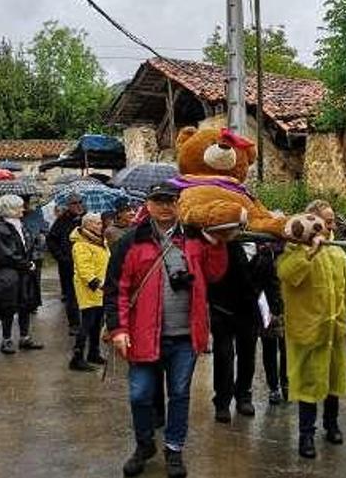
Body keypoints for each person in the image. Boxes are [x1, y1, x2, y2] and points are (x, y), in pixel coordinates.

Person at [104, 183, 227, 478]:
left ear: (178, 204)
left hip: (185, 336)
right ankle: (144, 444)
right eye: (158, 200)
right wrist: (118, 328)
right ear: (147, 203)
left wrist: (219, 243)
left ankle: (174, 449)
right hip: (143, 334)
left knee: (180, 394)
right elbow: (116, 290)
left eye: (170, 201)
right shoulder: (131, 242)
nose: (164, 206)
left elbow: (214, 274)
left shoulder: (195, 239)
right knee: (140, 395)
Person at [277, 201, 346, 459]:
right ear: (311, 223)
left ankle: (332, 424)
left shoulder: (338, 253)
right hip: (307, 331)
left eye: (332, 222)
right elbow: (286, 274)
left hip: (334, 329)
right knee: (308, 384)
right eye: (327, 222)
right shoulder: (293, 250)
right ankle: (306, 435)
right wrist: (309, 254)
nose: (331, 226)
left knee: (332, 380)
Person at [0, 194, 44, 354]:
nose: (23, 208)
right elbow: (5, 254)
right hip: (8, 273)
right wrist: (26, 263)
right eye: (20, 206)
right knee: (8, 306)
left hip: (23, 272)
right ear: (10, 209)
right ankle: (6, 340)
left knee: (26, 304)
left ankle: (24, 337)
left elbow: (30, 244)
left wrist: (33, 257)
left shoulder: (20, 225)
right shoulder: (1, 228)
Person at [207, 240, 260, 423]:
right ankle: (222, 400)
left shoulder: (264, 245)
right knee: (223, 355)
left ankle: (243, 395)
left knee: (247, 355)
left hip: (250, 310)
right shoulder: (221, 240)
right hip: (222, 308)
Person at [69, 212, 110, 372]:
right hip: (90, 288)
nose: (101, 226)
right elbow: (83, 268)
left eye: (100, 223)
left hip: (101, 287)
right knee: (87, 323)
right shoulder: (81, 244)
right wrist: (95, 283)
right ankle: (77, 357)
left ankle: (94, 352)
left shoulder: (100, 241)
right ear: (87, 225)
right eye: (97, 223)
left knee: (97, 323)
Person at [252, 241, 288, 405]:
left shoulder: (288, 254)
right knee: (270, 348)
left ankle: (286, 383)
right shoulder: (264, 256)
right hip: (268, 307)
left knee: (286, 348)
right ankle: (274, 386)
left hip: (287, 307)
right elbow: (256, 281)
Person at [47, 193, 84, 336]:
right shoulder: (62, 220)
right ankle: (74, 324)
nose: (78, 205)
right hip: (69, 264)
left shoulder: (87, 219)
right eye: (74, 203)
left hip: (86, 264)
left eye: (80, 202)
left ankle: (88, 323)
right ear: (69, 206)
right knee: (72, 295)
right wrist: (61, 257)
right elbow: (51, 240)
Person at [21, 196, 47, 315]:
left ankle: (33, 303)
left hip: (35, 253)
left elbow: (43, 232)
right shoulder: (18, 217)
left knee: (35, 279)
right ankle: (26, 302)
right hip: (25, 254)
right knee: (26, 279)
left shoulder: (36, 213)